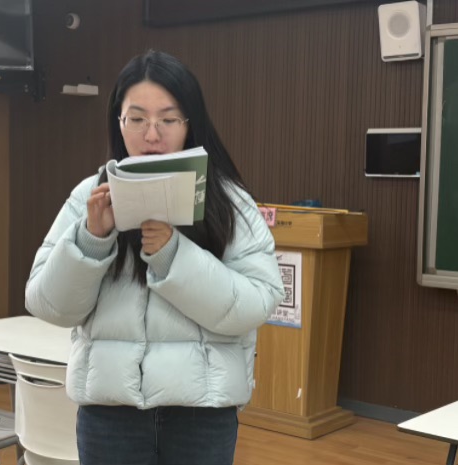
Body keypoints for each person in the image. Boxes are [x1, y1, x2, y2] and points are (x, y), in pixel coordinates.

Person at [25, 49, 284, 465]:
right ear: (119, 121)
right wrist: (91, 240)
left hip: (202, 413)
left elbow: (257, 302)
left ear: (190, 124)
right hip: (110, 415)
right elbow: (47, 304)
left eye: (168, 119)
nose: (151, 135)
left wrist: (173, 256)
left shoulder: (228, 201)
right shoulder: (89, 196)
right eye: (137, 118)